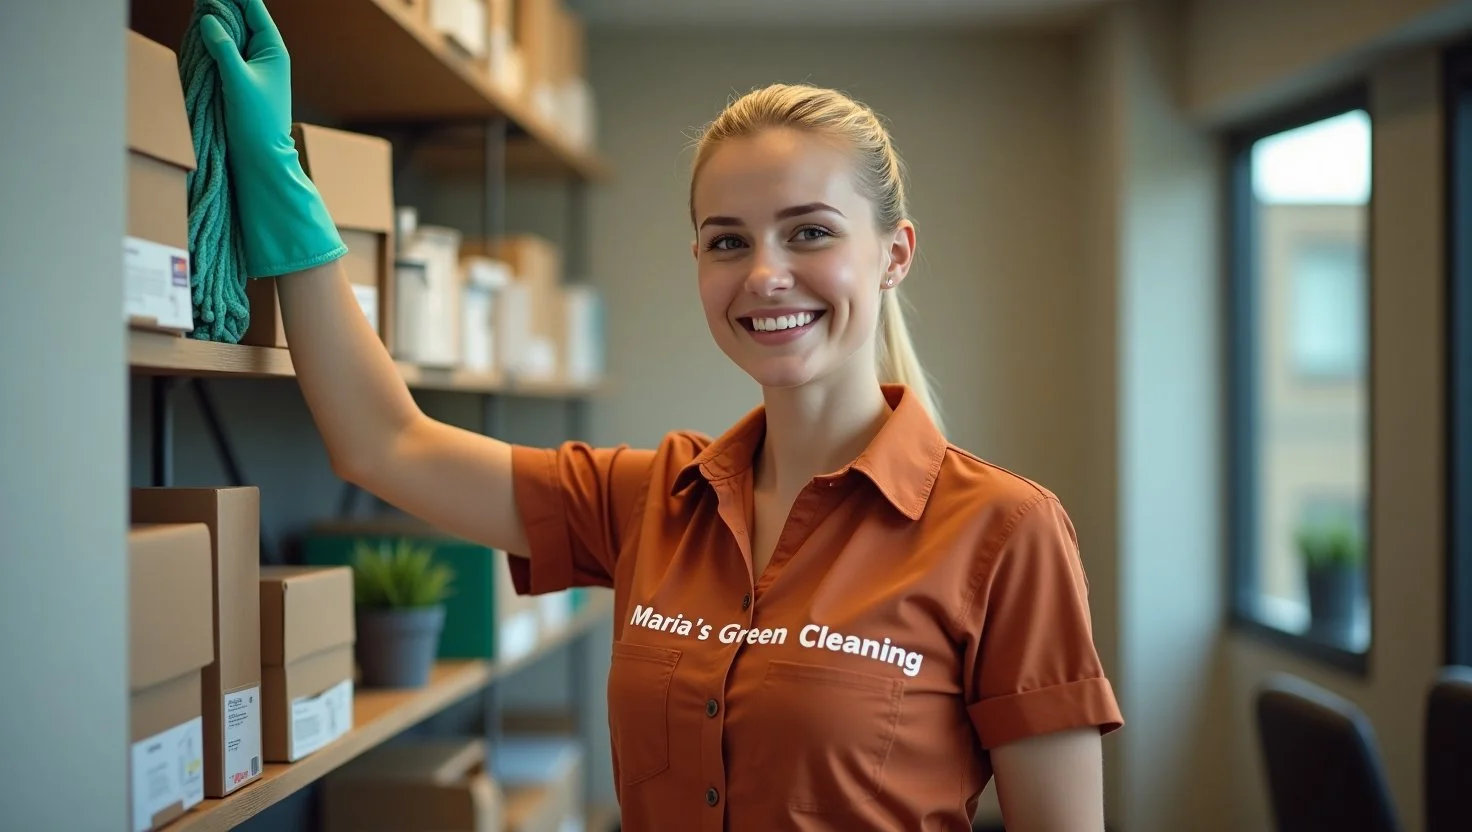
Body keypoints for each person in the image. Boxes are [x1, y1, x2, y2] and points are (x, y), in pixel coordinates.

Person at [200, 2, 1124, 829]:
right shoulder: (652, 501)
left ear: (894, 254)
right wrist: (281, 181)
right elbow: (384, 442)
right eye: (729, 240)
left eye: (810, 231)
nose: (765, 273)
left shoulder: (1005, 533)